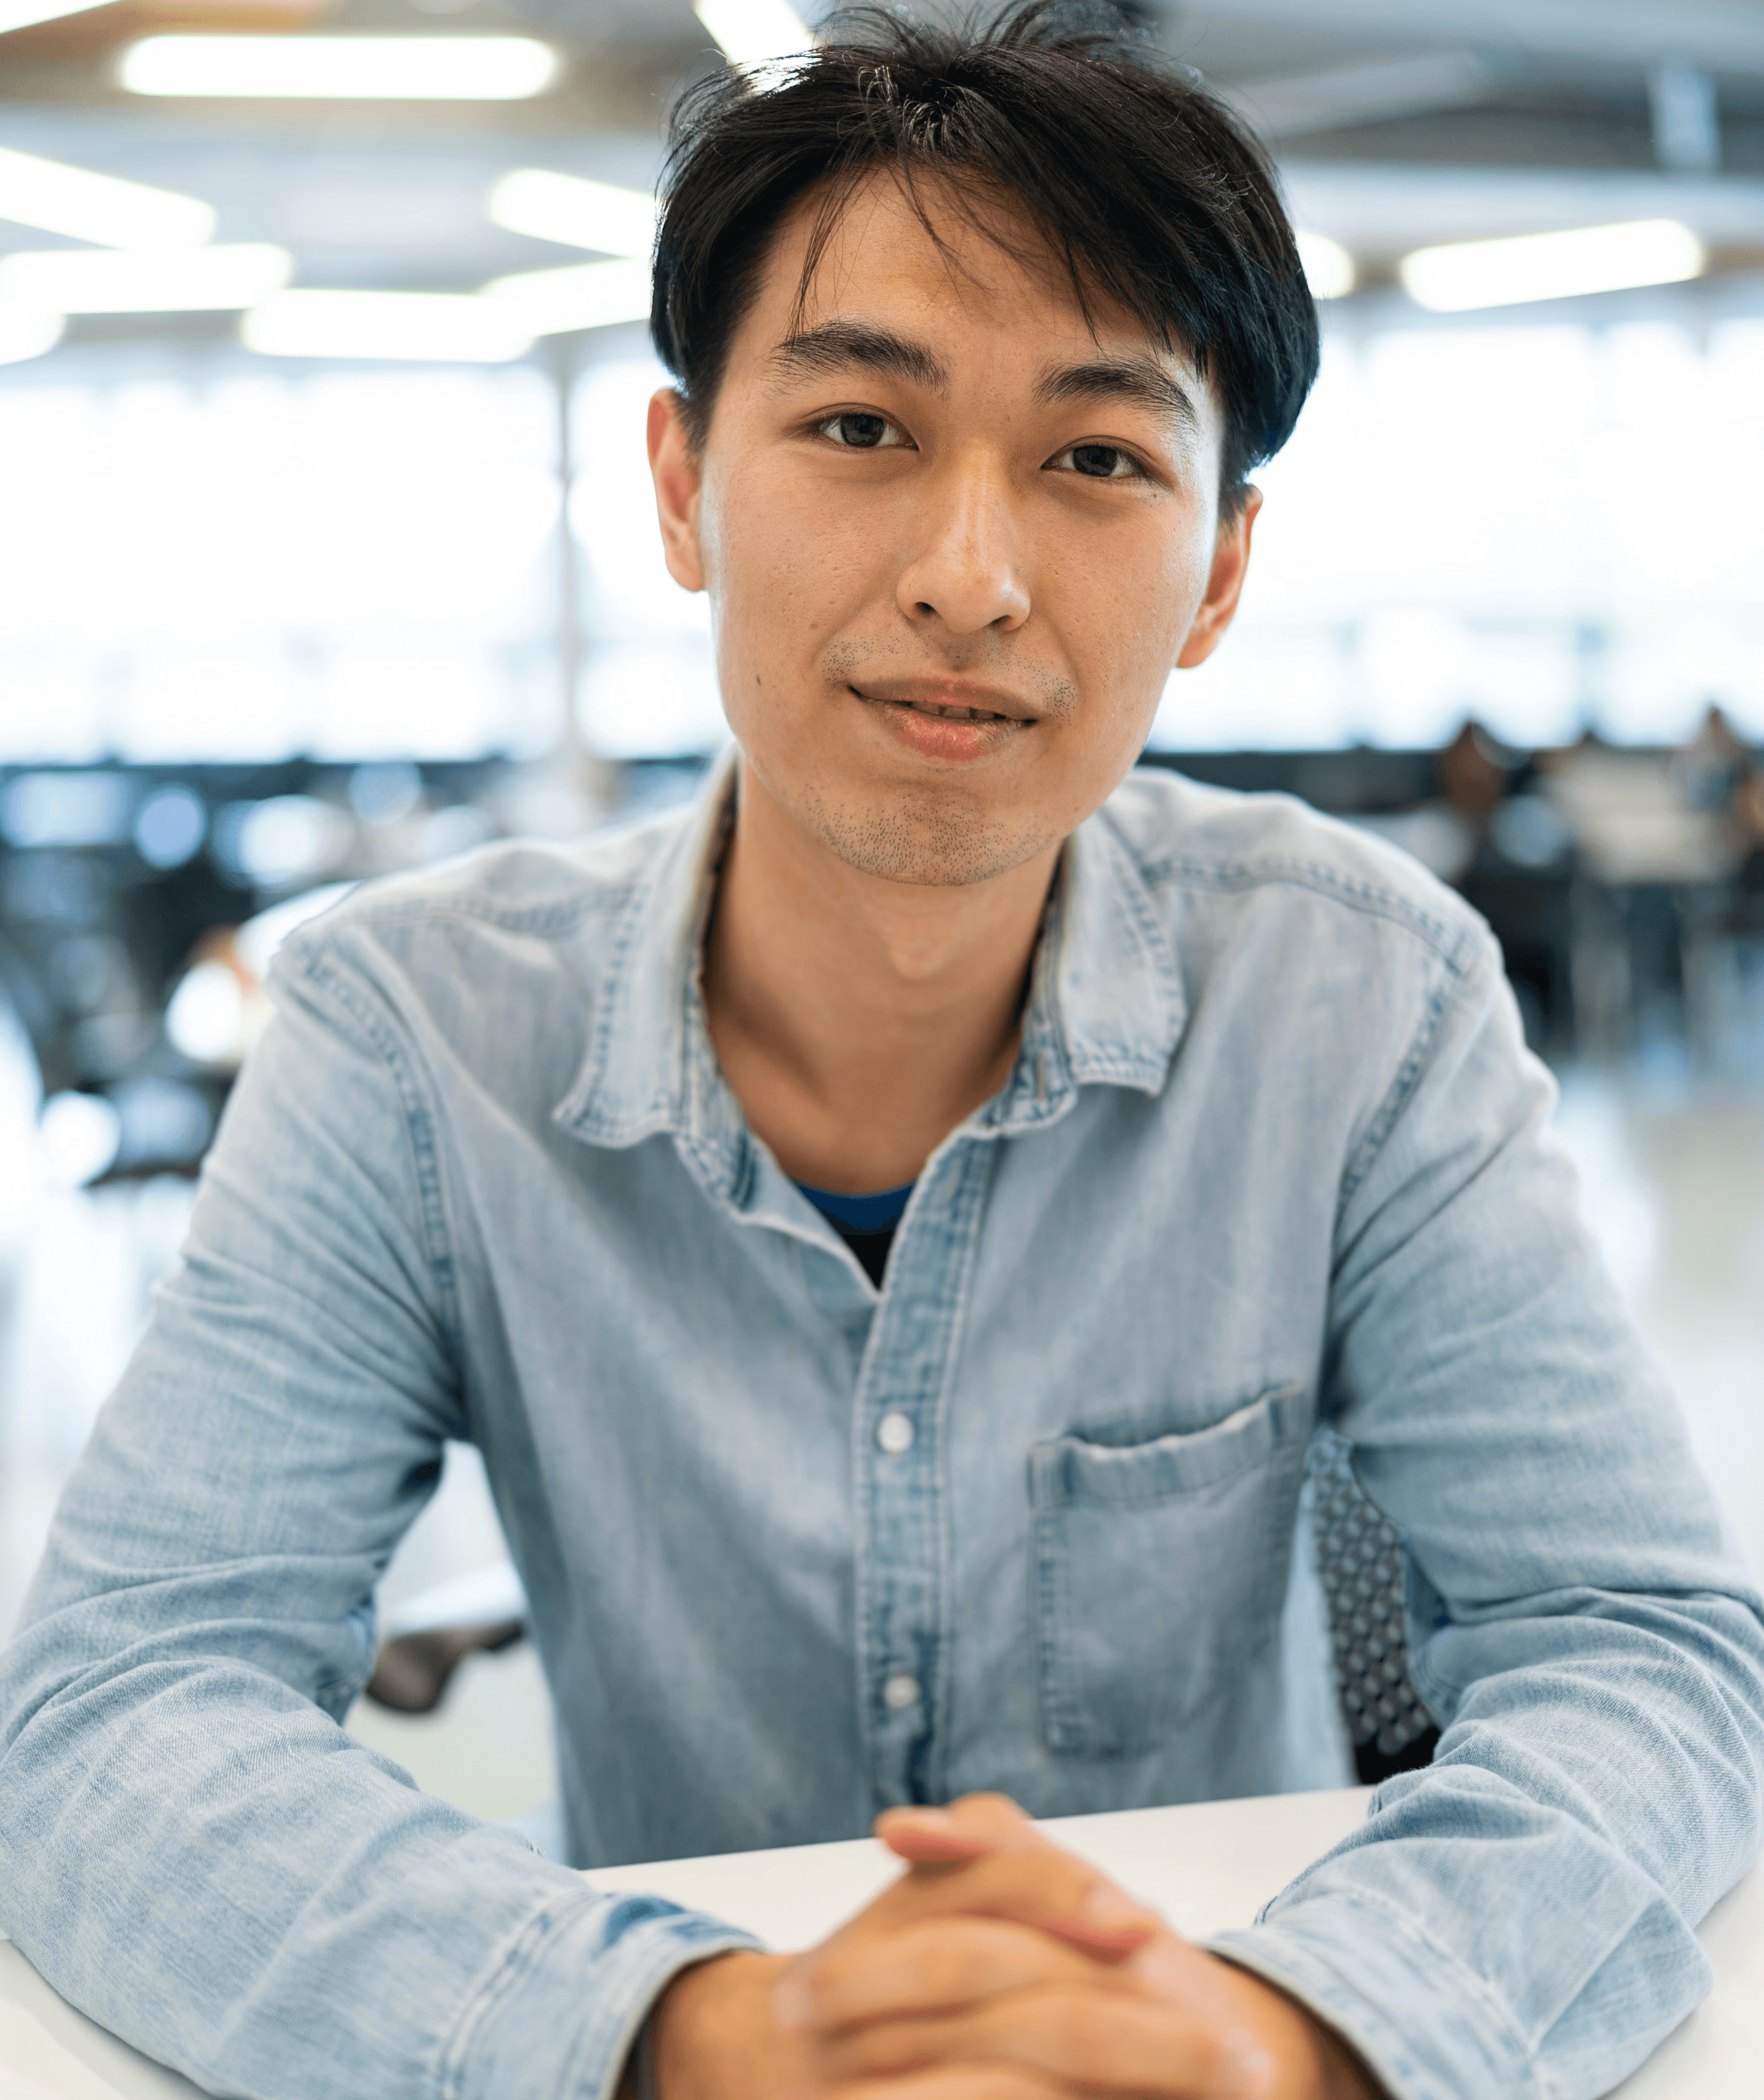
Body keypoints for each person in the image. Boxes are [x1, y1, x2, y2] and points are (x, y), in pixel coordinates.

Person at [2, 7, 1760, 2099]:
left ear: (1218, 576)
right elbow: (119, 1708)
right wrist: (688, 2026)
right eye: (859, 428)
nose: (969, 579)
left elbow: (1644, 1654)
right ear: (679, 483)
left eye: (1101, 457)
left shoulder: (1364, 997)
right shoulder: (412, 1036)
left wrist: (1298, 2023)